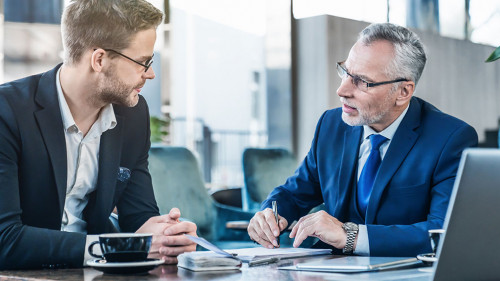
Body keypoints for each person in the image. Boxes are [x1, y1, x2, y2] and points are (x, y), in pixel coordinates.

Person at [247, 22, 478, 257]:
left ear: (403, 92)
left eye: (361, 81)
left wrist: (351, 236)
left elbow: (442, 233)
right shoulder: (331, 125)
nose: (342, 90)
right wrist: (270, 214)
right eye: (345, 72)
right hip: (328, 271)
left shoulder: (451, 140)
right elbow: (294, 193)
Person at [0, 0, 197, 270]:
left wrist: (164, 237)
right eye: (143, 62)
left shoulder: (133, 115)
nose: (151, 74)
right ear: (100, 59)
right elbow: (5, 239)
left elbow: (138, 218)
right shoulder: (7, 111)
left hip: (95, 273)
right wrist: (106, 248)